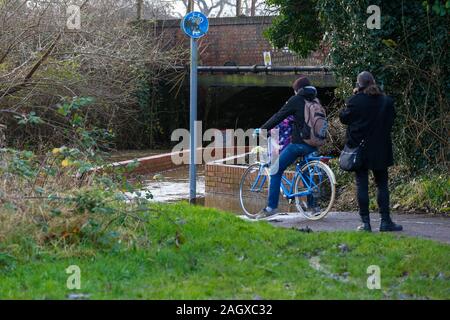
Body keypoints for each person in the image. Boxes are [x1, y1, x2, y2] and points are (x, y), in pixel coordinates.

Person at [339, 71, 402, 232]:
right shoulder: (386, 101)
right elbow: (391, 121)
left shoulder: (355, 101)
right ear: (373, 82)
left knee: (362, 185)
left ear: (358, 85)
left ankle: (366, 223)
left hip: (361, 150)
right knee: (382, 184)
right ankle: (385, 221)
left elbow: (344, 118)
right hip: (381, 149)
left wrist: (353, 98)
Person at [254, 76, 318, 219]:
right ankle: (314, 207)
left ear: (298, 90)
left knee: (275, 171)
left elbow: (279, 116)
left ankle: (271, 207)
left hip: (299, 144)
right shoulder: (315, 101)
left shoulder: (296, 100)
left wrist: (263, 129)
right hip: (314, 145)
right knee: (307, 172)